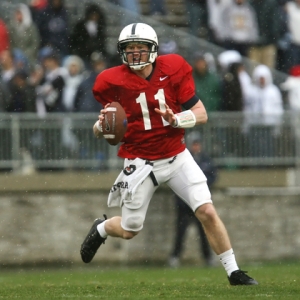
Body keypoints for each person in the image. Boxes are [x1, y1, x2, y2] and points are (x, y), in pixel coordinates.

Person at [80, 23, 258, 286]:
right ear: (121, 51)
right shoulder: (112, 80)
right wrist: (101, 127)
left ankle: (234, 272)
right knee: (130, 230)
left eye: (141, 47)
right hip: (140, 162)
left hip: (176, 157)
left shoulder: (172, 68)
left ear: (153, 49)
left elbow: (201, 114)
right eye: (130, 48)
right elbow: (103, 129)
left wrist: (175, 119)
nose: (136, 54)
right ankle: (102, 228)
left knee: (207, 211)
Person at [168, 131, 217, 268]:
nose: (196, 147)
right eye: (194, 144)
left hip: (199, 203)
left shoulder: (206, 160)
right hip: (184, 203)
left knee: (204, 232)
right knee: (180, 232)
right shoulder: (183, 160)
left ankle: (207, 257)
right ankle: (175, 256)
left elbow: (213, 176)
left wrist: (201, 187)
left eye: (197, 144)